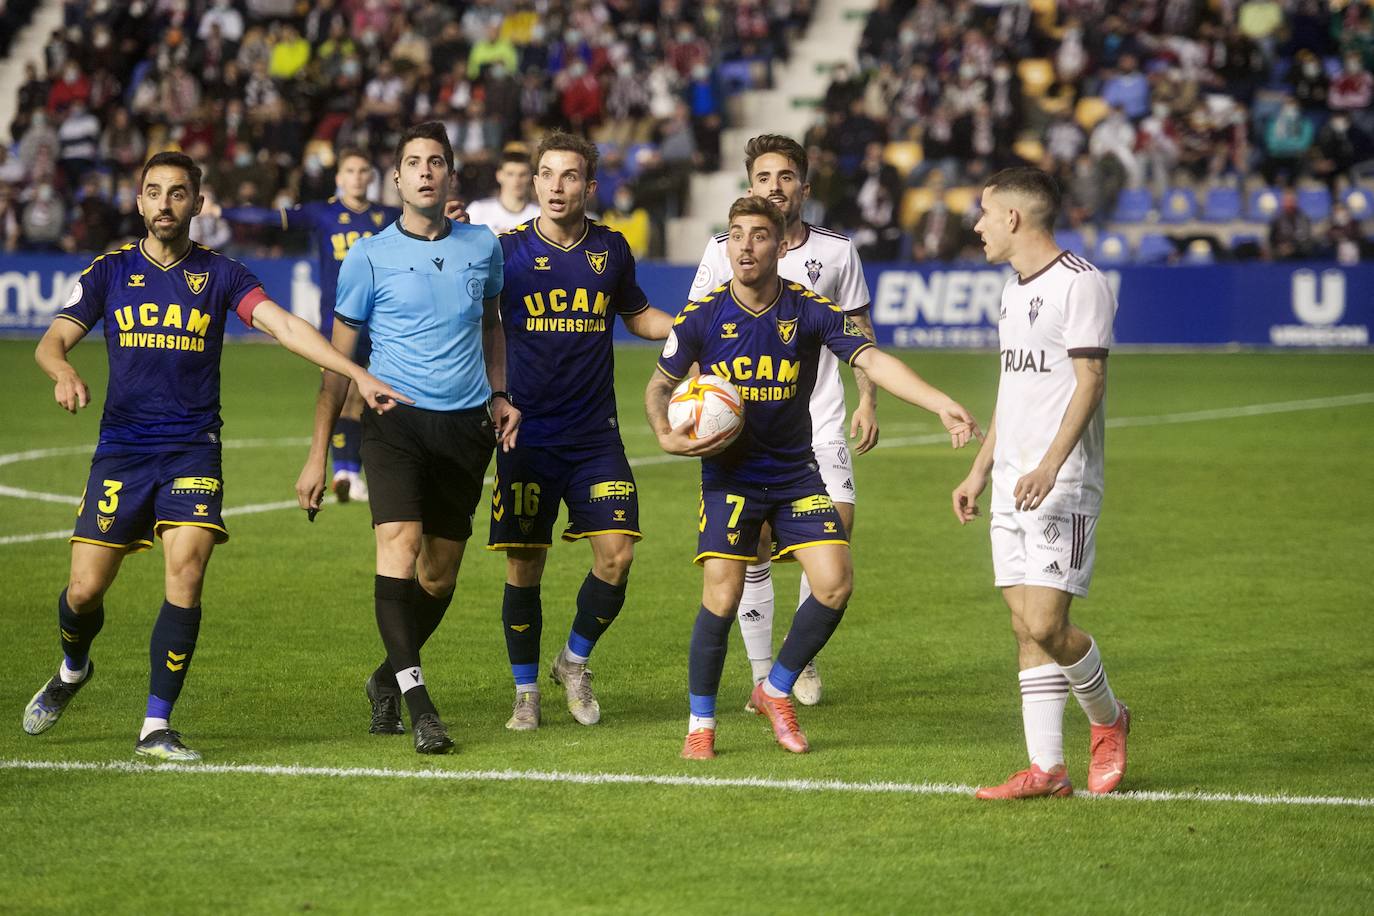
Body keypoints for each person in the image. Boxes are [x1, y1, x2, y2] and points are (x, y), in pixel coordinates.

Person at [22, 151, 406, 761]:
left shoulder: (222, 274)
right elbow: (52, 340)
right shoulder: (110, 271)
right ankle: (72, 669)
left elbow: (282, 325)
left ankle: (156, 725)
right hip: (121, 452)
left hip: (193, 451)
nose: (165, 204)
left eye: (178, 193)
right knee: (84, 590)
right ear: (139, 201)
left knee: (188, 574)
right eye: (154, 192)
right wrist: (62, 369)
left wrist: (355, 372)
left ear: (198, 204)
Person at [649, 196, 980, 760]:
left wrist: (939, 402)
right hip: (729, 479)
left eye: (758, 236)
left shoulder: (808, 309)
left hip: (795, 474)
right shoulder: (702, 316)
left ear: (781, 246)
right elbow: (659, 385)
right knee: (722, 597)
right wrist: (663, 432)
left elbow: (871, 360)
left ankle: (774, 689)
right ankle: (700, 725)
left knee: (834, 582)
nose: (745, 246)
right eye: (735, 235)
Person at [295, 122, 517, 755]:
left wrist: (499, 393)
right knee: (400, 543)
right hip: (393, 423)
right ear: (396, 179)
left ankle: (384, 676)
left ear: (449, 177)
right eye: (413, 162)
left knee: (439, 575)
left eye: (436, 162)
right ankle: (420, 705)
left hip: (466, 426)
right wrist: (318, 454)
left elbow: (493, 326)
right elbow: (336, 365)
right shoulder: (366, 256)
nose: (425, 171)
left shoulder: (483, 247)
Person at [951, 166, 1130, 799]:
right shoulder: (1010, 291)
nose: (977, 225)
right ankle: (1047, 769)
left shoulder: (1081, 286)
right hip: (1010, 481)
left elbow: (1090, 383)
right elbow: (1013, 387)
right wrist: (979, 468)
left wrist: (1051, 464)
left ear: (1014, 218)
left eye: (983, 213)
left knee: (1050, 625)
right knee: (1024, 627)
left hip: (1062, 482)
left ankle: (1109, 720)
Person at [489, 131, 673, 732]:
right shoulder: (504, 251)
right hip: (525, 434)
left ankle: (573, 661)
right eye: (547, 174)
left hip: (596, 435)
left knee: (617, 557)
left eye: (570, 176)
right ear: (535, 182)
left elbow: (639, 315)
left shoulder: (612, 250)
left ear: (589, 187)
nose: (557, 186)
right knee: (525, 564)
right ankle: (524, 693)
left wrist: (694, 334)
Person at [687, 134, 878, 710]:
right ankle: (765, 673)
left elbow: (860, 328)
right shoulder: (724, 250)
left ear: (804, 187)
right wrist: (700, 410)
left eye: (786, 177)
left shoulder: (839, 251)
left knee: (831, 541)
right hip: (746, 429)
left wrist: (868, 398)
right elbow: (694, 331)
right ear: (751, 187)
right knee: (757, 548)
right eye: (764, 178)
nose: (775, 186)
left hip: (819, 420)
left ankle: (798, 663)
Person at [207, 149, 401, 503]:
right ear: (339, 178)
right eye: (350, 171)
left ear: (371, 177)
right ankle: (346, 472)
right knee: (340, 391)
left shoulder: (387, 216)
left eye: (363, 170)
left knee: (367, 396)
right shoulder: (323, 214)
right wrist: (222, 211)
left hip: (382, 321)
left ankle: (352, 470)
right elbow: (269, 218)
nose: (357, 176)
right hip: (338, 321)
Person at [465, 147, 540, 234]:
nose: (516, 181)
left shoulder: (539, 214)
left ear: (531, 177)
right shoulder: (478, 210)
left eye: (522, 174)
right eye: (510, 174)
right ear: (499, 175)